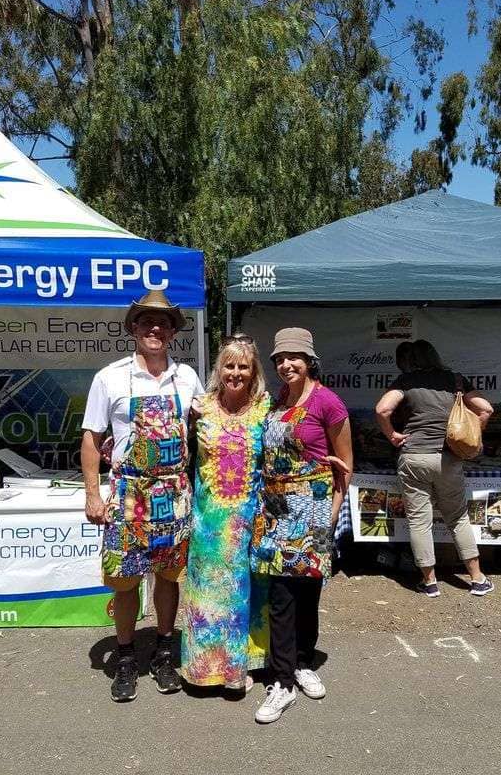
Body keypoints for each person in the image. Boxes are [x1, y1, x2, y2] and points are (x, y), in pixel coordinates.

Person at [80, 288, 204, 703]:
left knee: (169, 577)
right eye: (147, 322)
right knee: (125, 580)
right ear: (133, 328)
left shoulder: (187, 377)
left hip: (174, 492)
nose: (155, 329)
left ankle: (165, 652)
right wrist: (93, 495)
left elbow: (205, 428)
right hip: (128, 494)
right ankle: (126, 657)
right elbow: (91, 437)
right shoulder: (109, 377)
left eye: (163, 323)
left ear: (173, 332)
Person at [252, 327, 352, 724]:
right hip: (276, 507)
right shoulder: (278, 400)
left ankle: (303, 661)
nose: (285, 364)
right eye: (279, 358)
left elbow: (345, 466)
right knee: (281, 595)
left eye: (293, 357)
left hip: (313, 508)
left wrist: (331, 515)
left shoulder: (328, 402)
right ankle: (282, 682)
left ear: (310, 360)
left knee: (309, 592)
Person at [180, 334, 270, 693]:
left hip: (249, 521)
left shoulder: (265, 408)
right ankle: (205, 669)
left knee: (246, 593)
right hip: (208, 524)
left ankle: (240, 668)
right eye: (229, 365)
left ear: (254, 371)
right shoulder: (199, 407)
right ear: (219, 369)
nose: (236, 373)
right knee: (208, 596)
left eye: (243, 366)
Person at [374, 339, 494, 598]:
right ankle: (477, 579)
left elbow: (382, 409)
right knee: (458, 518)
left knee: (419, 521)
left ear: (411, 360)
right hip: (448, 458)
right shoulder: (456, 380)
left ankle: (430, 583)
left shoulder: (406, 381)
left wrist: (392, 435)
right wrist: (472, 433)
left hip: (413, 456)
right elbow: (486, 409)